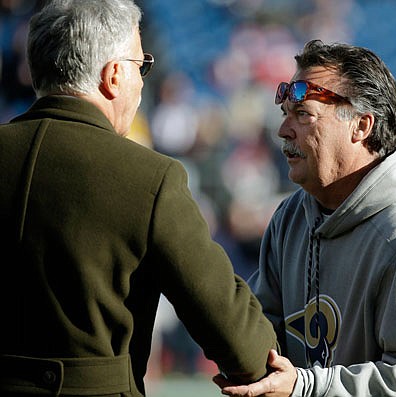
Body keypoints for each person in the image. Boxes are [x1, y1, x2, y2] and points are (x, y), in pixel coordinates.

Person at [0, 0, 276, 395]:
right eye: (140, 66)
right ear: (113, 76)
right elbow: (243, 345)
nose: (144, 81)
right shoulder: (151, 177)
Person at [216, 39, 396, 396]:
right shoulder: (291, 218)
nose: (283, 131)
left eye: (303, 114)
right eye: (285, 114)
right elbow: (268, 336)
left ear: (361, 126)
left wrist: (306, 387)